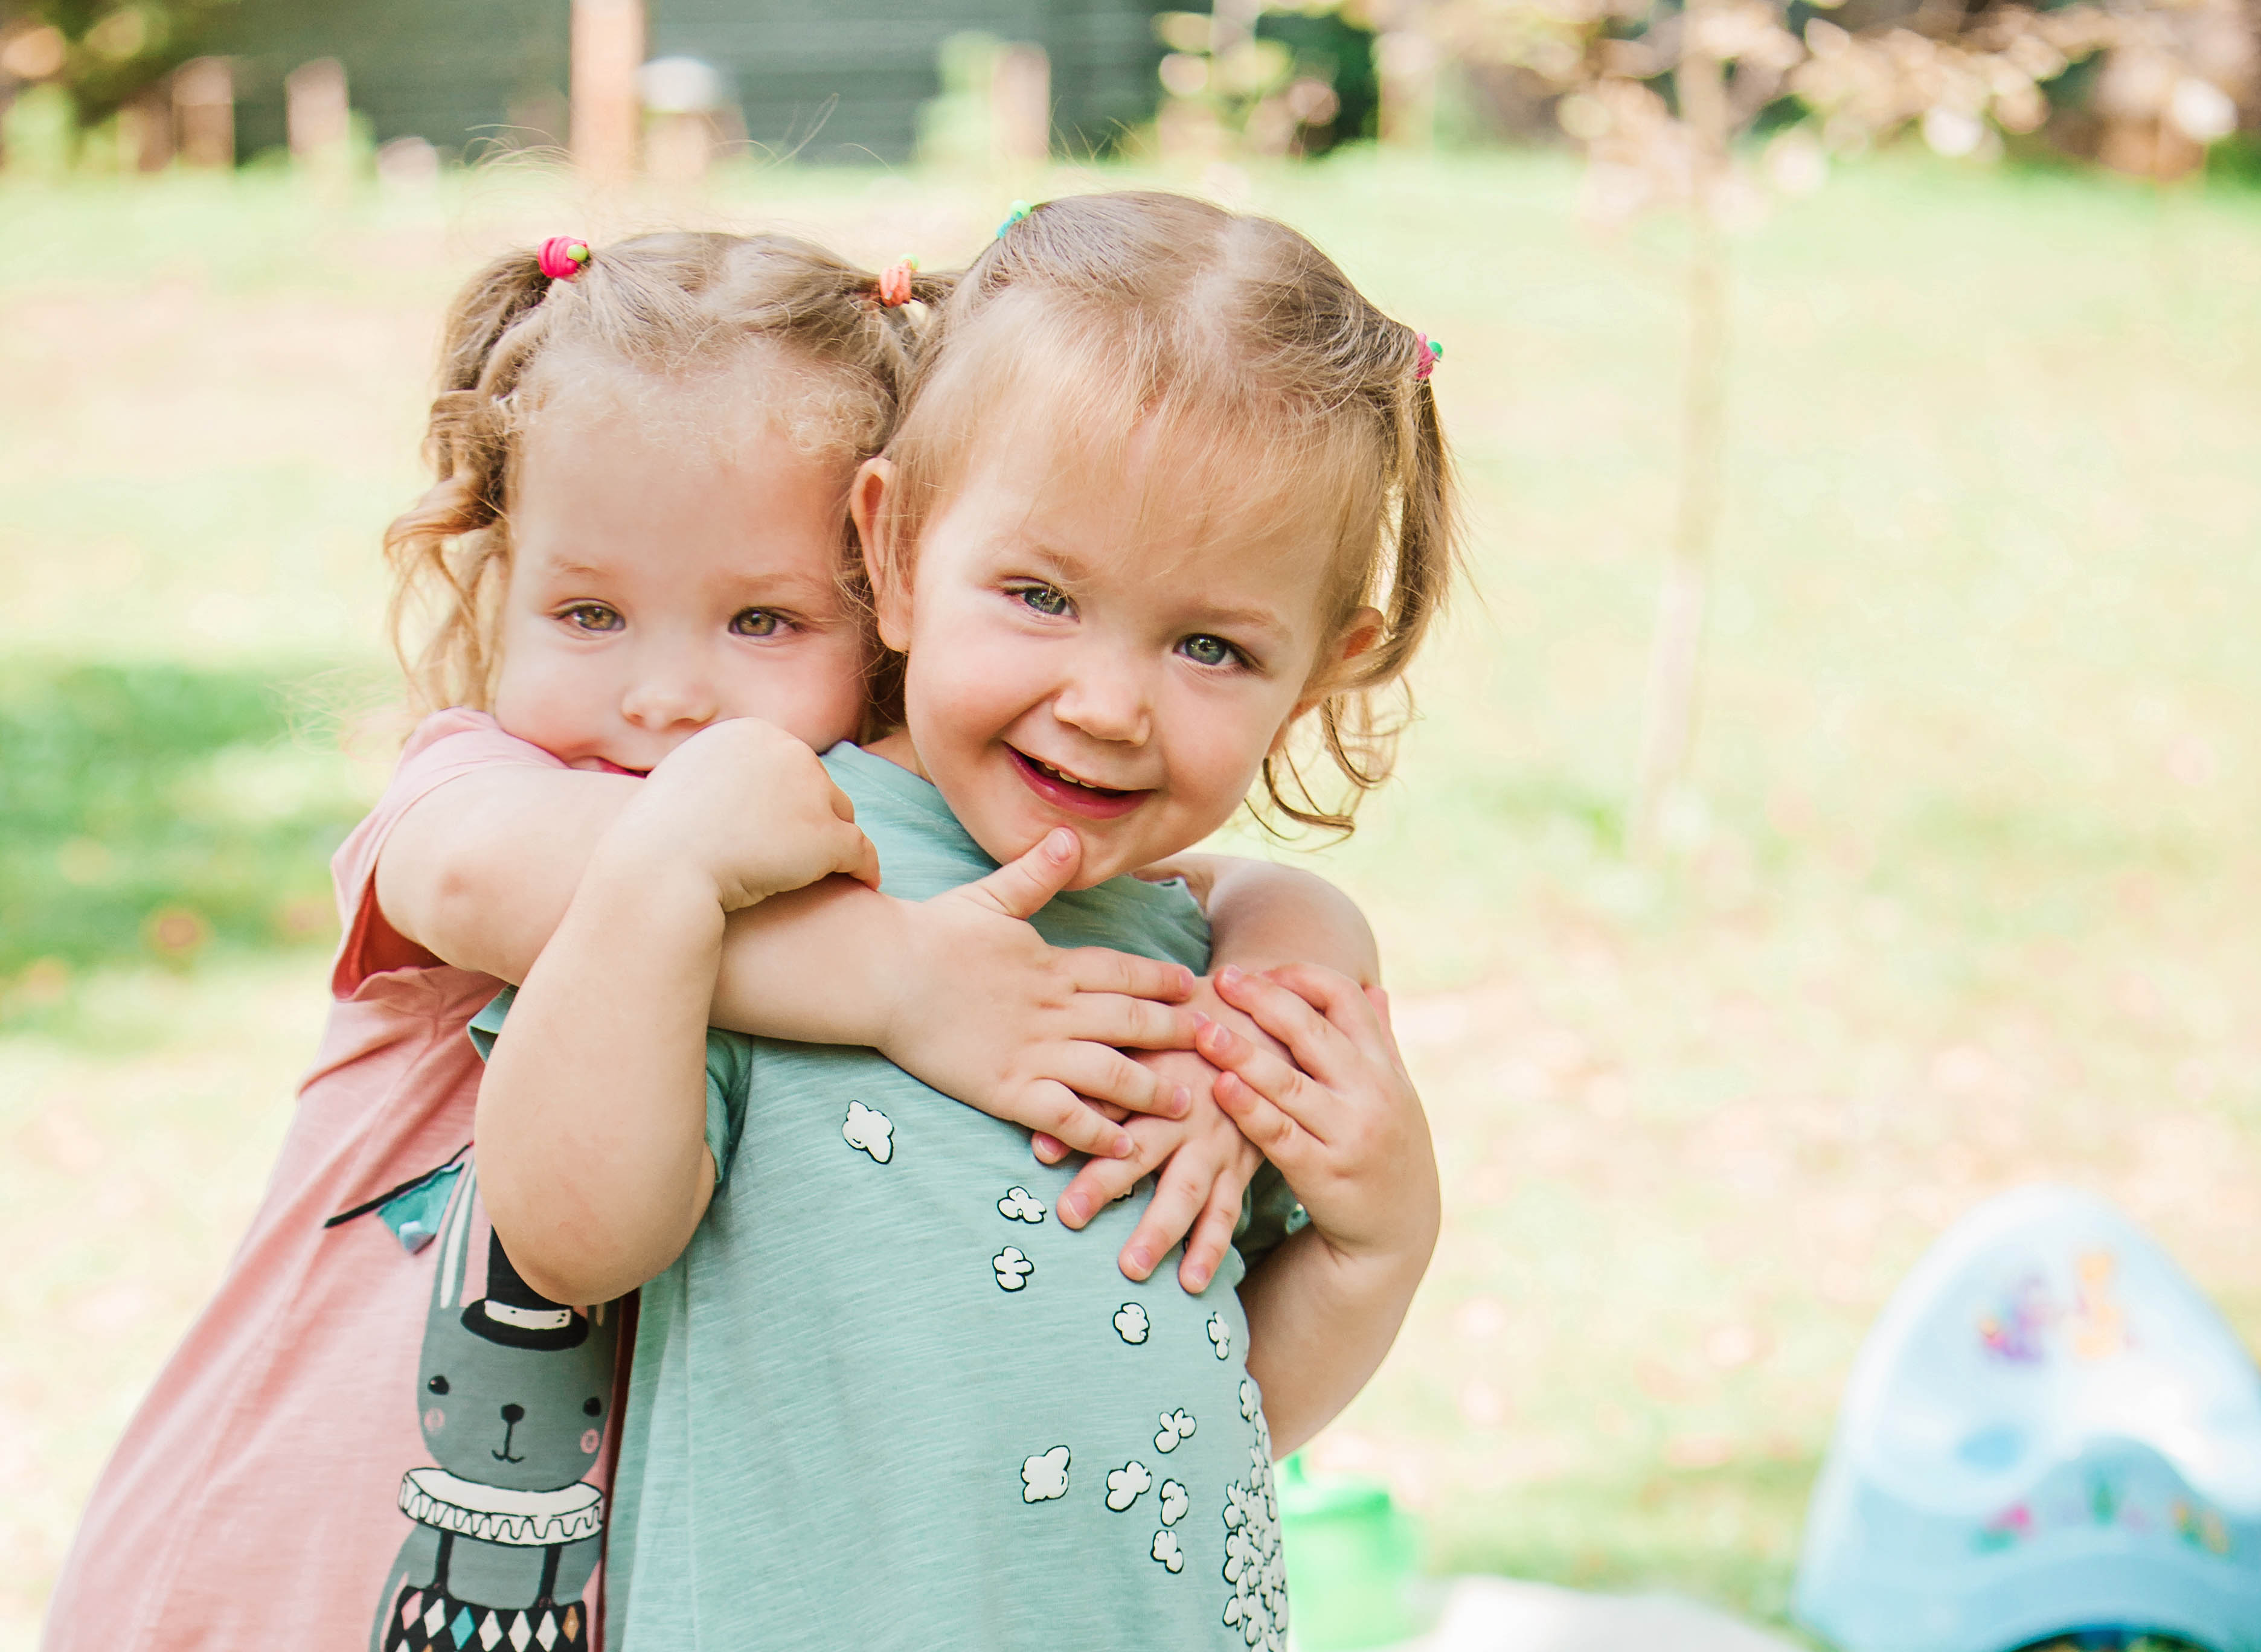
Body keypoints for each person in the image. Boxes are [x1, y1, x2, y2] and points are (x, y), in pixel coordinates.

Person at [40, 228, 1372, 1652]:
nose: (669, 695)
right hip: (280, 1566)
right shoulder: (487, 789)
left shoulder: (862, 852)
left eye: (760, 620)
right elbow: (525, 885)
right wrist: (894, 981)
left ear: (884, 601)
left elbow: (1213, 889)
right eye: (588, 612)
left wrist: (1298, 950)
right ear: (501, 588)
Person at [475, 191, 1454, 1651]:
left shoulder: (1218, 988)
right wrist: (661, 882)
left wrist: (1384, 1240)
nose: (1109, 703)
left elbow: (1196, 1424)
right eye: (1041, 595)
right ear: (896, 549)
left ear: (1320, 672)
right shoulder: (794, 871)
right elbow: (570, 1240)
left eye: (1211, 646)